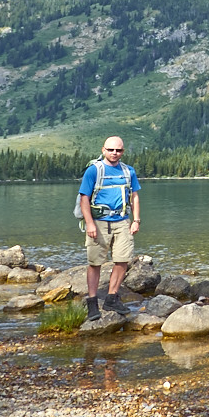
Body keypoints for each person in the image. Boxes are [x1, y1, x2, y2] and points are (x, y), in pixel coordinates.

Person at [79, 136, 140, 321]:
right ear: (103, 149)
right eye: (111, 150)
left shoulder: (128, 171)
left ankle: (111, 298)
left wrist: (136, 220)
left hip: (122, 221)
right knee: (95, 263)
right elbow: (84, 199)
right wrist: (89, 223)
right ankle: (92, 302)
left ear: (123, 152)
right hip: (98, 222)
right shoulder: (93, 171)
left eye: (119, 150)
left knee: (122, 260)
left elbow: (134, 196)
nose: (115, 153)